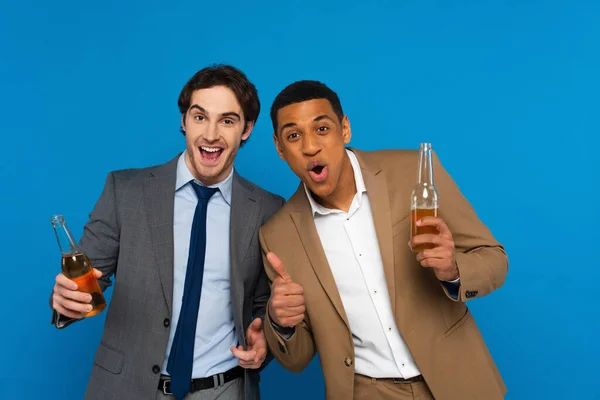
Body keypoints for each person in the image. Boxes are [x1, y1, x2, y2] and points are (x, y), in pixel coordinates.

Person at [259, 80, 508, 400]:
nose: (310, 147)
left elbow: (494, 258)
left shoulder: (412, 173)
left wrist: (453, 270)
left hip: (457, 380)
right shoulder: (277, 236)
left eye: (322, 129)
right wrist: (280, 322)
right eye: (294, 136)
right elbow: (297, 358)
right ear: (280, 148)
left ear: (344, 129)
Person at [50, 64, 285, 400]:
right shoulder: (125, 191)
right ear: (184, 121)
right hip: (128, 387)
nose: (211, 134)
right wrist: (66, 301)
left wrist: (267, 342)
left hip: (223, 389)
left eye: (228, 120)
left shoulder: (267, 207)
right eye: (199, 117)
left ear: (246, 129)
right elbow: (87, 282)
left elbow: (265, 304)